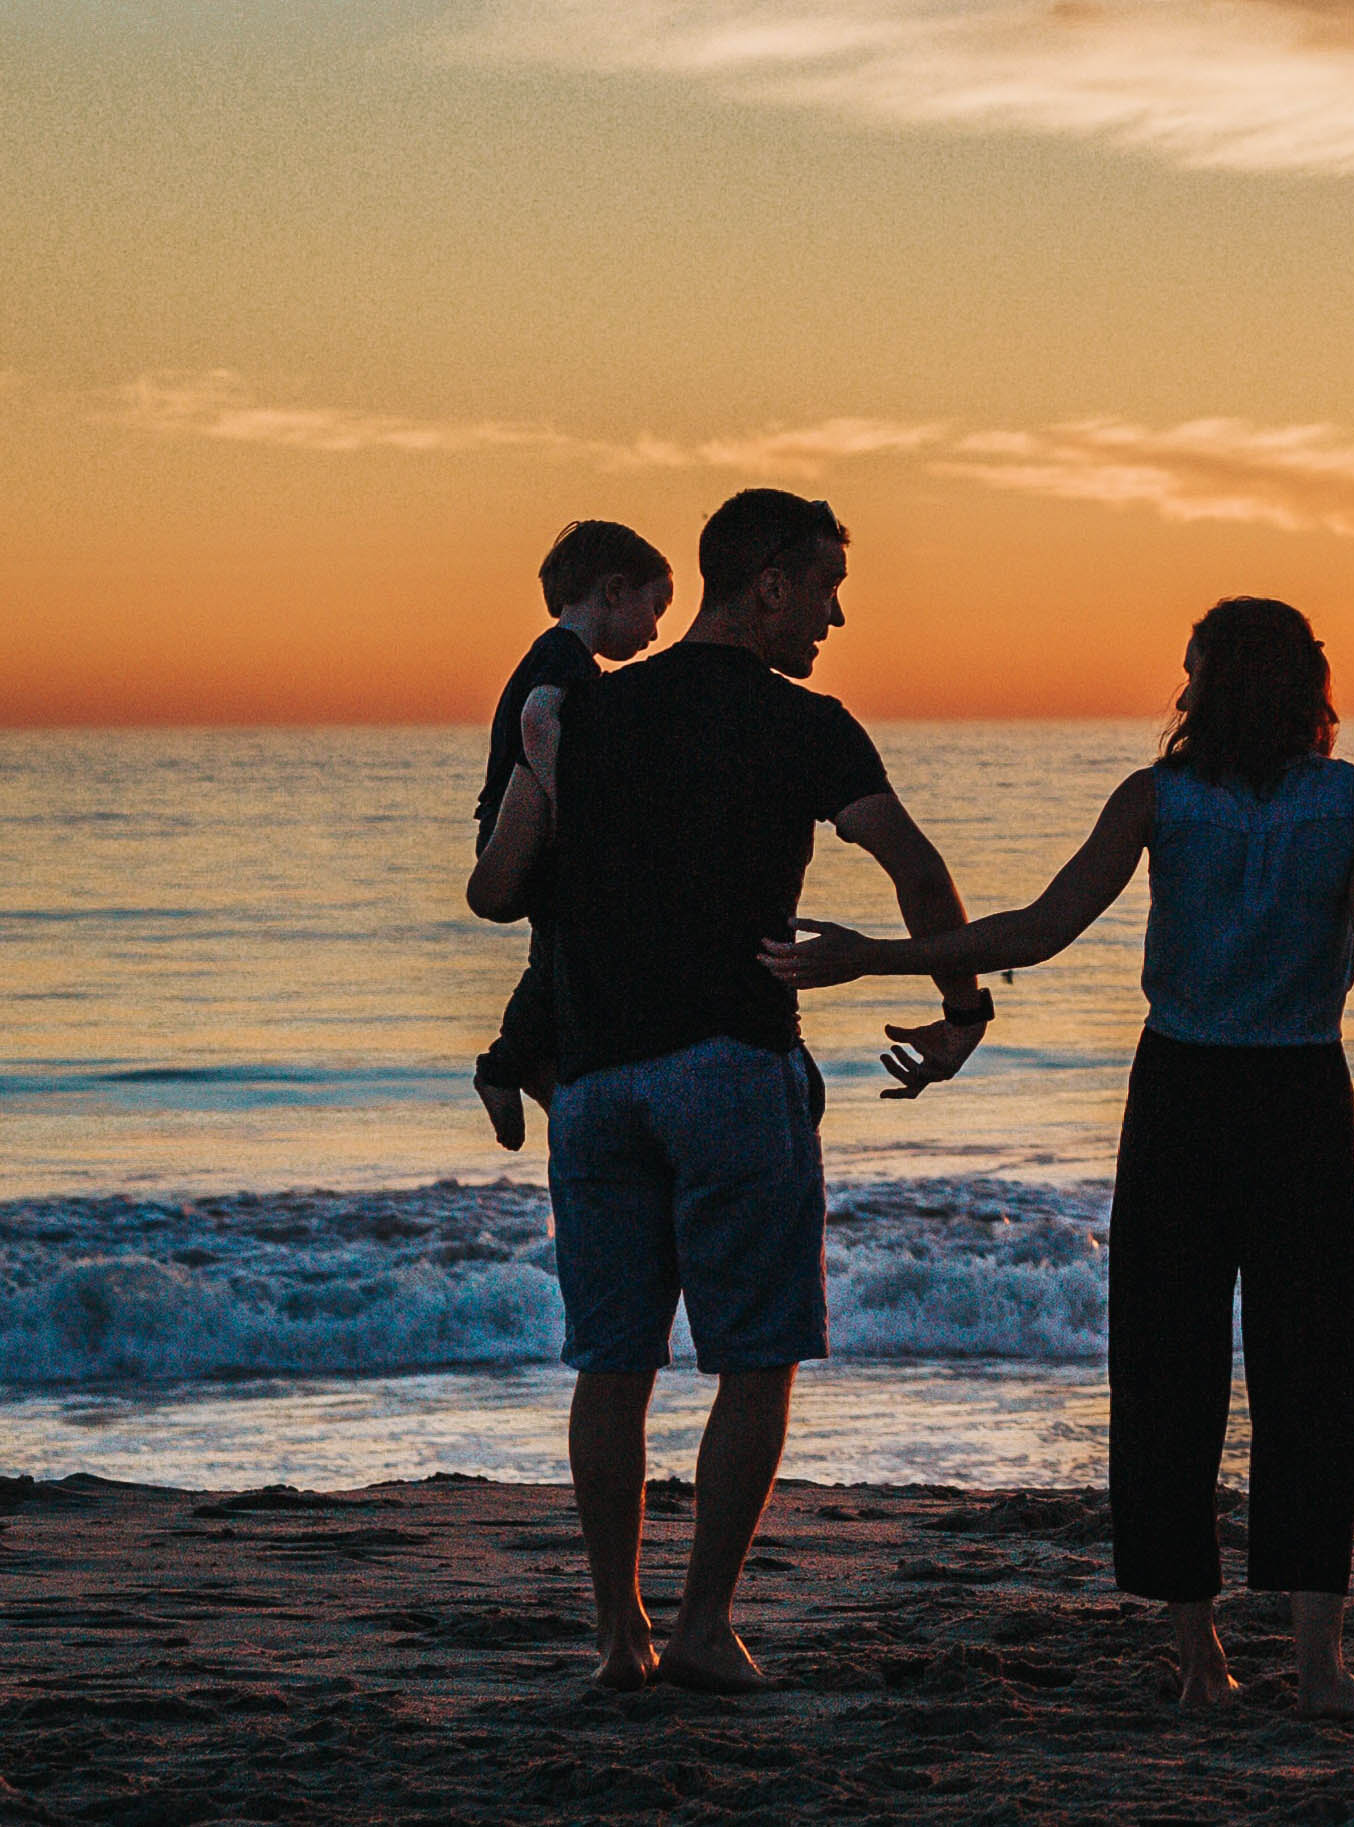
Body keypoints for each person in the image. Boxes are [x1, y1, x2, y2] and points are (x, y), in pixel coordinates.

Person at [760, 597, 1354, 1718]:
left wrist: (879, 957)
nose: (1180, 685)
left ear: (1219, 682)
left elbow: (1041, 931)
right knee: (1311, 1378)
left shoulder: (1170, 798)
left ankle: (1208, 1664)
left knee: (1170, 1372)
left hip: (1192, 1096)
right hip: (1287, 1097)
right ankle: (1312, 1666)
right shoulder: (1346, 801)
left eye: (1190, 667)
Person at [465, 488, 991, 1694]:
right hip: (730, 1067)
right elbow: (914, 865)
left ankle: (618, 1637)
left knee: (613, 1366)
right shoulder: (806, 724)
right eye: (823, 589)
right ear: (767, 586)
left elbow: (500, 890)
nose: (835, 616)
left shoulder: (581, 713)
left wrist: (546, 783)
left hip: (595, 1081)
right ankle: (702, 1626)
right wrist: (962, 1013)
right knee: (754, 1359)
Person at [474, 520, 675, 1151]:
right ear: (615, 591)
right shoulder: (565, 658)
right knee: (560, 953)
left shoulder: (561, 657)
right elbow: (538, 723)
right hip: (523, 835)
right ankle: (503, 1067)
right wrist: (583, 809)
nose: (656, 630)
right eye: (655, 607)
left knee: (560, 953)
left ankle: (530, 1068)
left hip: (533, 834)